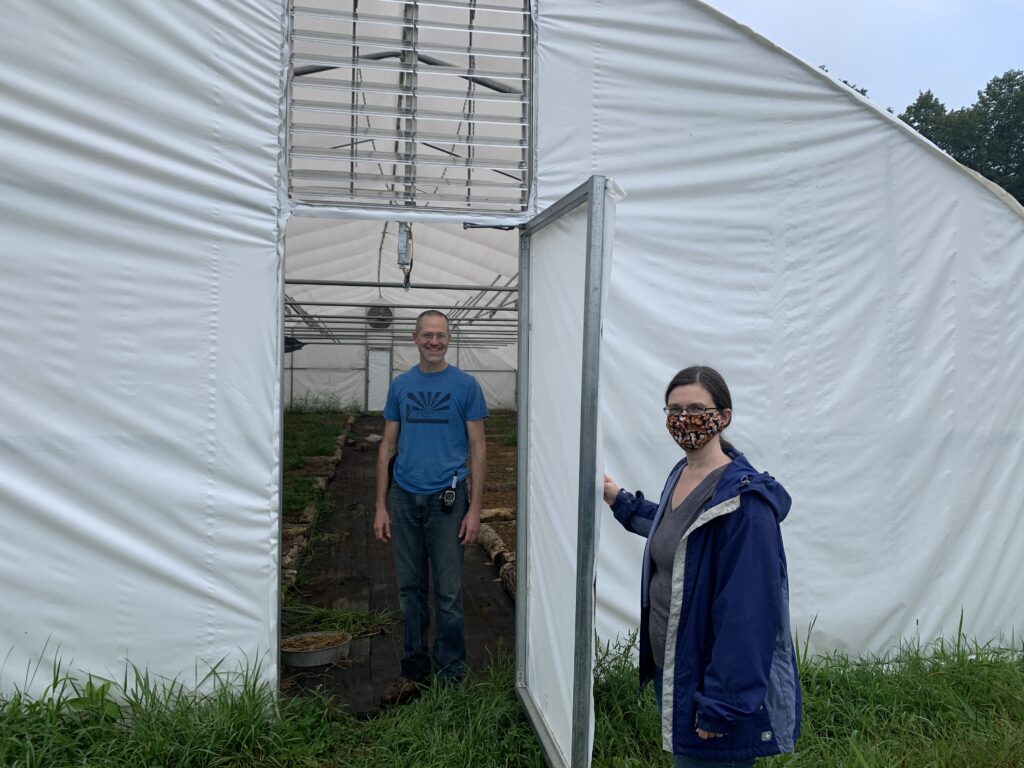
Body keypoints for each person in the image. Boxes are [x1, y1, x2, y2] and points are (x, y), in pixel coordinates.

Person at [602, 365, 800, 767]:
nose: (683, 419)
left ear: (723, 416)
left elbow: (748, 616)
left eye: (696, 408)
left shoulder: (746, 506)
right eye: (673, 409)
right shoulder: (684, 472)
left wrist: (721, 705)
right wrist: (619, 499)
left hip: (710, 686)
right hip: (675, 665)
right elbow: (678, 534)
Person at [373, 310, 488, 705]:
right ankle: (413, 671)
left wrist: (475, 510)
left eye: (441, 335)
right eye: (428, 335)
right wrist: (380, 505)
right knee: (410, 590)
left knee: (449, 593)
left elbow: (478, 447)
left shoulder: (466, 386)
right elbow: (388, 445)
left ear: (448, 338)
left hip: (447, 500)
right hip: (405, 497)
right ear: (415, 337)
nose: (434, 341)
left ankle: (452, 675)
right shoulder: (401, 386)